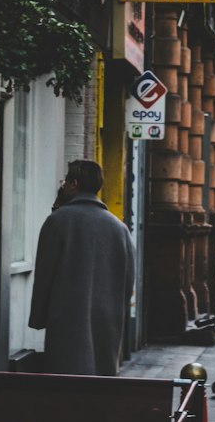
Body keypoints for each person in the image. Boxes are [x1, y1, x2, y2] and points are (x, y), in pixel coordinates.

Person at [28, 160, 135, 376]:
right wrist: (117, 314)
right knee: (99, 385)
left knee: (65, 384)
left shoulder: (58, 221)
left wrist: (38, 318)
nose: (64, 185)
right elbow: (128, 281)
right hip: (107, 324)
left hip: (65, 322)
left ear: (74, 184)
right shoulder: (120, 229)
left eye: (66, 181)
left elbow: (45, 275)